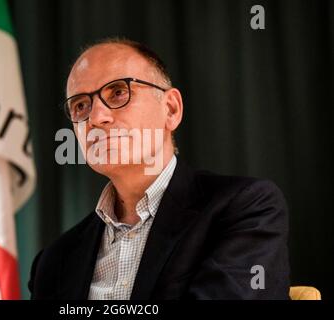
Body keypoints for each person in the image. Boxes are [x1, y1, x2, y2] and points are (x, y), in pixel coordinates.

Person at [28, 38, 290, 300]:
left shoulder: (245, 209)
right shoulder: (53, 262)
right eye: (81, 106)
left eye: (118, 92)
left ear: (171, 109)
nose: (96, 118)